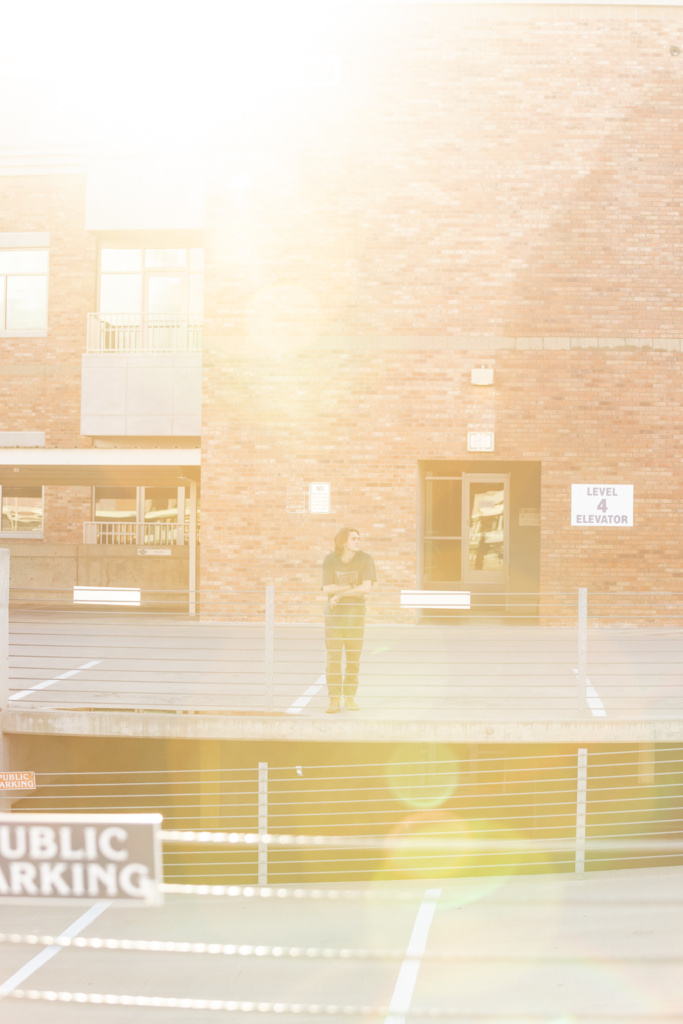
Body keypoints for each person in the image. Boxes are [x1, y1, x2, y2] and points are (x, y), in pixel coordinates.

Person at [321, 527, 376, 713]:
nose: (358, 541)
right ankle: (334, 700)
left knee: (353, 660)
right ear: (344, 542)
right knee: (333, 661)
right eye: (354, 538)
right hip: (334, 620)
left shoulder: (365, 559)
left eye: (359, 538)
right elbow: (327, 588)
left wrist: (340, 593)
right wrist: (352, 586)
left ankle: (350, 698)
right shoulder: (330, 560)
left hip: (356, 619)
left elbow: (366, 588)